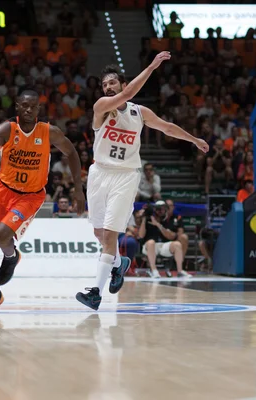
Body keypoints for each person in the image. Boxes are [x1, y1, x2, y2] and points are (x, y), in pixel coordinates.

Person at [76, 54, 209, 310]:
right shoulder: (102, 107)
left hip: (125, 176)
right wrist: (151, 67)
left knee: (110, 236)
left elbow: (167, 127)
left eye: (113, 83)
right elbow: (123, 98)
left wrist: (193, 139)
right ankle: (119, 264)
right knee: (99, 234)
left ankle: (96, 292)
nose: (108, 88)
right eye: (105, 85)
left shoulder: (139, 112)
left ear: (123, 84)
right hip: (99, 173)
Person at [0, 90, 86, 313]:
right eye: (24, 105)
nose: (28, 109)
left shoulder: (49, 132)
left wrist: (78, 189)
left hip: (30, 195)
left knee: (2, 234)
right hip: (1, 191)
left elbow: (71, 153)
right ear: (17, 107)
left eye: (33, 106)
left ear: (39, 109)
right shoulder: (7, 129)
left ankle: (11, 258)